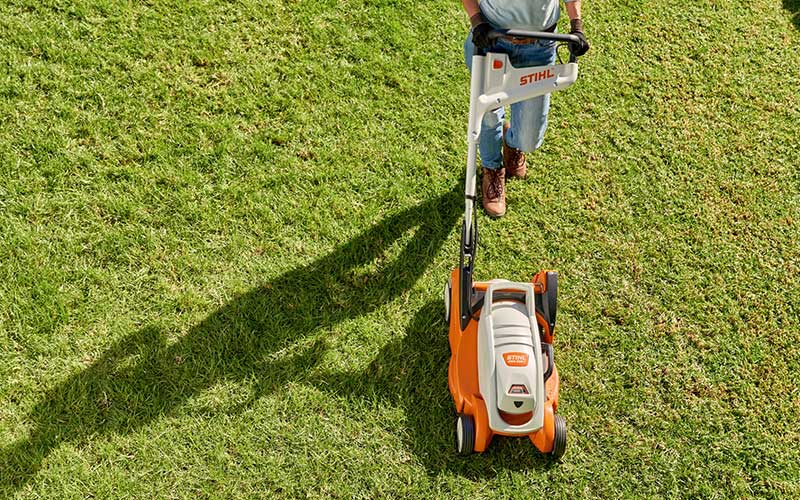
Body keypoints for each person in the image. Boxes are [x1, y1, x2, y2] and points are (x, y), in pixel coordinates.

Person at [461, 0, 590, 217]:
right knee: (489, 114)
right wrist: (477, 21)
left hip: (540, 47)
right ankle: (492, 169)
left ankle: (513, 143)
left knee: (528, 139)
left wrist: (576, 26)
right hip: (492, 39)